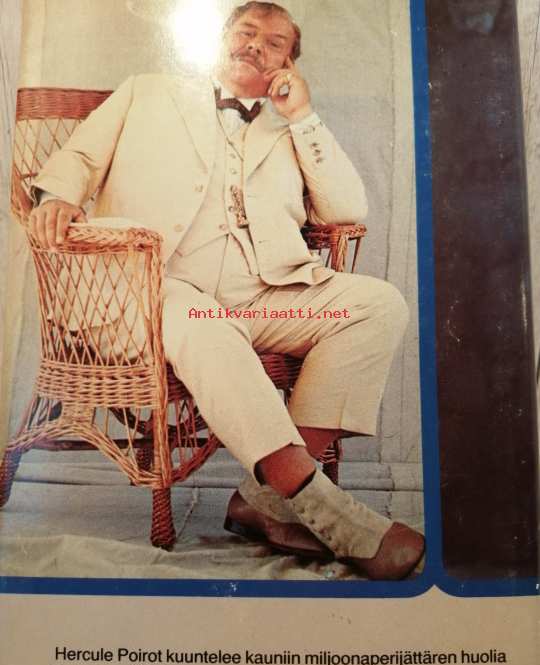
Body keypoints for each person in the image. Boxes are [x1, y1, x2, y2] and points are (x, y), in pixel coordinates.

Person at [28, 1, 424, 579]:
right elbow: (79, 158)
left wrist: (303, 117)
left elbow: (346, 209)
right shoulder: (148, 91)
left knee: (375, 305)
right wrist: (57, 197)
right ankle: (324, 508)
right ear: (220, 39)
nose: (256, 46)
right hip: (154, 290)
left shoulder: (289, 127)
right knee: (205, 323)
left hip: (259, 297)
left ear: (288, 64)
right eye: (246, 32)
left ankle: (264, 501)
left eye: (275, 43)